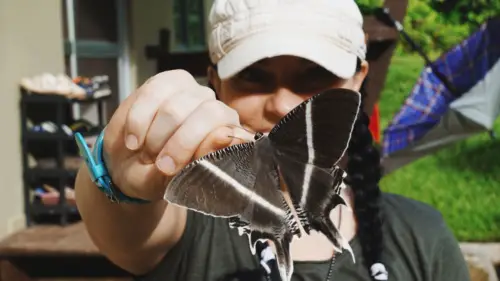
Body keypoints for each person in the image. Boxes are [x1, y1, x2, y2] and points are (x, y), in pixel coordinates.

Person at [74, 0, 471, 280]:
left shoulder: (423, 236)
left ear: (357, 81)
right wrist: (118, 176)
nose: (281, 103)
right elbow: (127, 227)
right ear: (215, 82)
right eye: (253, 76)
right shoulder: (189, 224)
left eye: (314, 75)